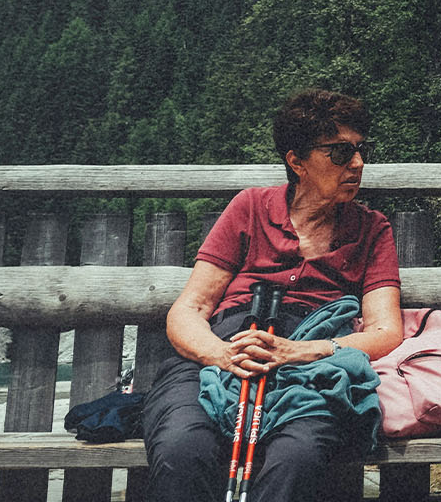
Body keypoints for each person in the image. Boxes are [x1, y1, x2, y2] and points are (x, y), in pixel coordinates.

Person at [143, 89, 404, 502]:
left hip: (312, 360)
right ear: (296, 161)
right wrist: (221, 355)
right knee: (183, 447)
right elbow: (190, 309)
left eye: (360, 150)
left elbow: (386, 331)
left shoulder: (372, 228)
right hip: (229, 343)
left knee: (296, 457)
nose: (357, 163)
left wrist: (299, 352)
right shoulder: (250, 207)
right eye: (339, 153)